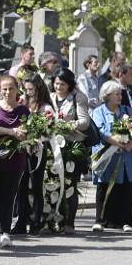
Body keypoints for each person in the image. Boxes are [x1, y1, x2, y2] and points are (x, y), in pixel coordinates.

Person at [0, 75, 30, 246]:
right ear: (0, 90)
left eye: (11, 88)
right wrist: (10, 132)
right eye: (4, 89)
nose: (8, 92)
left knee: (8, 197)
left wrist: (25, 135)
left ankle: (5, 232)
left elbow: (30, 133)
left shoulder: (24, 111)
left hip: (15, 160)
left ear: (17, 90)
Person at [90, 81, 132, 232]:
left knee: (127, 187)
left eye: (120, 94)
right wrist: (119, 144)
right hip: (107, 156)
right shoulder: (99, 112)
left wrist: (131, 142)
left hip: (127, 156)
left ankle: (126, 221)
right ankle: (100, 220)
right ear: (107, 96)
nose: (120, 97)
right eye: (116, 94)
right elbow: (102, 132)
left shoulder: (126, 110)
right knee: (104, 186)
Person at [48, 68, 91, 234]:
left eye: (63, 84)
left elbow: (85, 122)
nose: (59, 87)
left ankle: (69, 222)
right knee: (52, 184)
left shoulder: (78, 98)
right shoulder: (50, 97)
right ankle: (52, 221)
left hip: (71, 147)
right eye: (56, 83)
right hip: (53, 146)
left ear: (70, 84)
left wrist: (67, 125)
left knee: (69, 185)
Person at [14, 74, 52, 235]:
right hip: (23, 147)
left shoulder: (45, 107)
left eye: (31, 89)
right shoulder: (23, 103)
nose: (27, 92)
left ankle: (36, 221)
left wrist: (36, 134)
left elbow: (49, 129)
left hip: (38, 149)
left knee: (36, 185)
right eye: (26, 89)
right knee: (21, 185)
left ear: (38, 88)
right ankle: (21, 221)